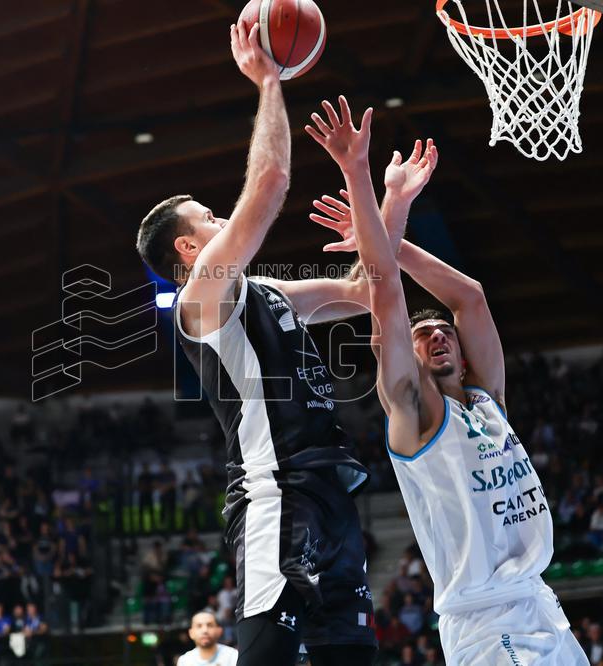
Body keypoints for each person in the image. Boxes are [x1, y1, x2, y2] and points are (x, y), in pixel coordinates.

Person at [136, 20, 444, 666]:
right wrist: (269, 79)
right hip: (278, 498)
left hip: (332, 499)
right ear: (190, 250)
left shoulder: (266, 290)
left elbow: (369, 288)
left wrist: (389, 199)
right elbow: (271, 180)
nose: (222, 220)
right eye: (210, 221)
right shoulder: (203, 301)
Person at [304, 94, 585, 664]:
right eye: (423, 335)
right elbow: (384, 298)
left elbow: (471, 297)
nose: (437, 336)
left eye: (444, 332)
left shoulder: (487, 402)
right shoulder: (414, 413)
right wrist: (365, 183)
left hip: (540, 603)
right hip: (484, 621)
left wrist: (393, 234)